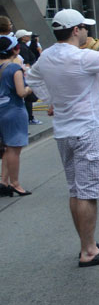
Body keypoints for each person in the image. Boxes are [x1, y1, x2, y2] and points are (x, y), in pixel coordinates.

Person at [25, 9, 99, 266]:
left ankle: (86, 243)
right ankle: (89, 250)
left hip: (64, 130)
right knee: (88, 193)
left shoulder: (47, 56)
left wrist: (51, 98)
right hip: (88, 128)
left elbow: (31, 77)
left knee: (76, 190)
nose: (87, 32)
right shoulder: (83, 57)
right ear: (76, 30)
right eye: (85, 27)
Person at [0, 36, 33, 195]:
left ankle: (3, 181)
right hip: (13, 110)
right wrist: (30, 87)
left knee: (6, 148)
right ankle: (15, 183)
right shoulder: (14, 68)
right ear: (14, 50)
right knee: (14, 149)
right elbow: (21, 92)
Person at [14, 29, 40, 124]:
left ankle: (29, 117)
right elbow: (27, 62)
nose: (29, 37)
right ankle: (29, 118)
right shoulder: (22, 48)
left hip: (26, 73)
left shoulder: (24, 46)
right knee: (28, 98)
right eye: (26, 36)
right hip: (26, 75)